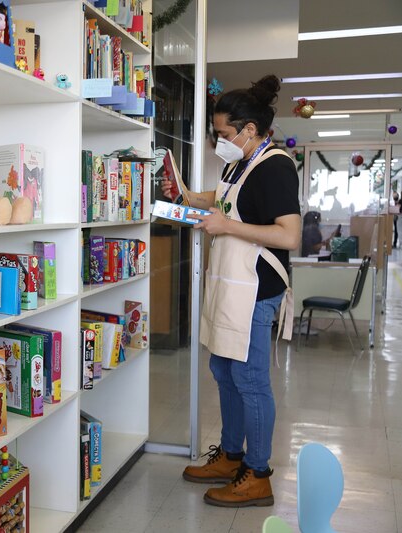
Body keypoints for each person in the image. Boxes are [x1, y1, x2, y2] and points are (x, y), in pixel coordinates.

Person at [162, 75, 300, 508]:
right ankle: (231, 454)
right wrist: (186, 196)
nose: (218, 141)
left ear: (249, 131)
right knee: (223, 372)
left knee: (250, 380)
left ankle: (257, 474)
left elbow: (289, 235)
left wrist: (226, 226)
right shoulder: (237, 162)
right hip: (229, 284)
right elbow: (223, 198)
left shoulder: (276, 165)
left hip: (257, 289)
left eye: (223, 134)